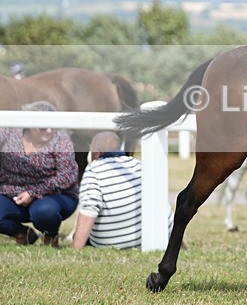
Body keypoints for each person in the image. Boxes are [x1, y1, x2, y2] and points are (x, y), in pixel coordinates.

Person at [72, 131, 173, 249]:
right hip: (155, 238)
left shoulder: (94, 170)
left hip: (112, 243)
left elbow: (88, 212)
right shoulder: (139, 165)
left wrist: (75, 248)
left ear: (96, 152)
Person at [0, 100, 79, 247]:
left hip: (53, 195)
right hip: (11, 194)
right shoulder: (10, 133)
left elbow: (67, 175)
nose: (49, 131)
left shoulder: (61, 141)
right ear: (29, 124)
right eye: (43, 127)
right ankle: (21, 233)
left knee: (44, 212)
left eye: (53, 127)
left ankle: (51, 236)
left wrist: (33, 192)